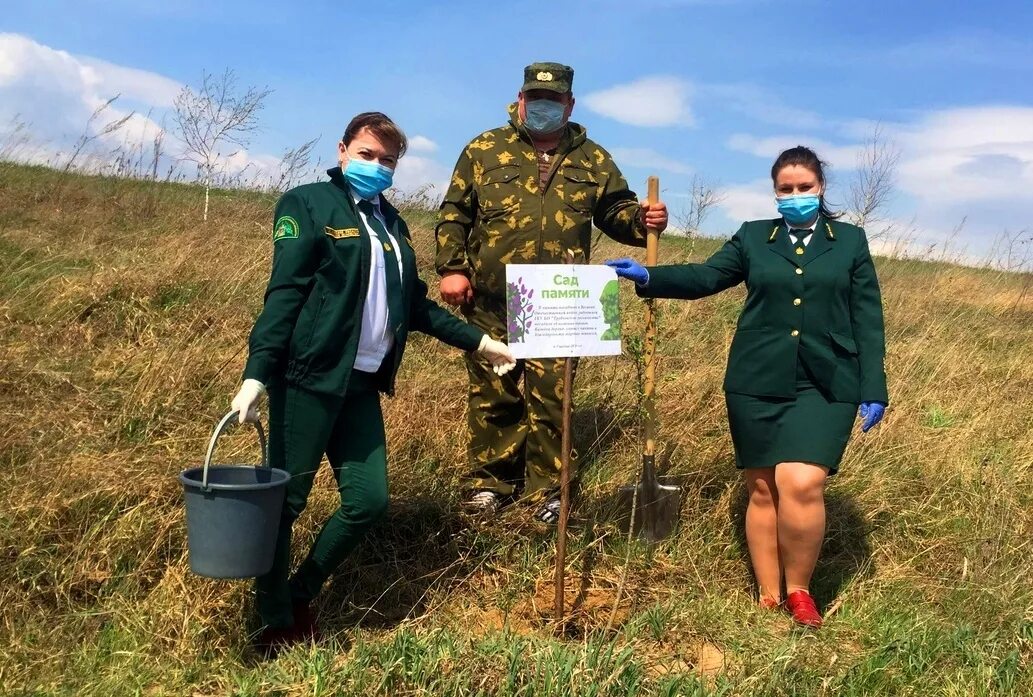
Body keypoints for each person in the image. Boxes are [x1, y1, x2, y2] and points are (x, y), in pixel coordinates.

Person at [230, 112, 517, 654]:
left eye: (388, 161)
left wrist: (480, 342)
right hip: (308, 378)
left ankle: (300, 591)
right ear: (342, 151)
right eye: (367, 155)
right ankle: (272, 619)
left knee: (368, 500)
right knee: (285, 506)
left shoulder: (392, 223)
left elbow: (416, 309)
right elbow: (284, 294)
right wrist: (256, 374)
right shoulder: (308, 204)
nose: (378, 167)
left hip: (361, 386)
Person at [606, 146, 888, 628]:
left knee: (802, 482)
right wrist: (651, 276)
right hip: (757, 379)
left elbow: (868, 317)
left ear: (821, 188)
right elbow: (707, 276)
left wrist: (873, 385)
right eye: (786, 189)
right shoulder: (755, 238)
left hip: (827, 382)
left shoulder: (850, 242)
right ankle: (767, 593)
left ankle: (800, 591)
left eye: (805, 188)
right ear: (774, 192)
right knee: (762, 488)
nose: (796, 196)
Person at [435, 62, 669, 523]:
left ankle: (550, 491)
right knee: (494, 392)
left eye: (553, 100)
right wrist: (452, 268)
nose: (542, 107)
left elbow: (615, 212)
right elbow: (454, 212)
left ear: (570, 104)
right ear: (520, 99)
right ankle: (490, 484)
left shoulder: (594, 159)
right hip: (492, 299)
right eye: (534, 99)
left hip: (558, 301)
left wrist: (643, 222)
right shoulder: (484, 149)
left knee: (553, 396)